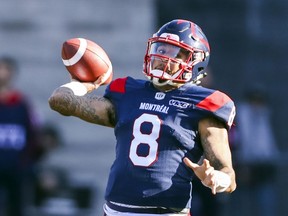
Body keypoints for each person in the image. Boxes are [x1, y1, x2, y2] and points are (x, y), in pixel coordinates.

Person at [49, 19, 237, 215]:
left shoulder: (205, 103)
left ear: (195, 62)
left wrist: (215, 178)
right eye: (161, 49)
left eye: (174, 52)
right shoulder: (127, 91)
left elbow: (229, 176)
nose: (163, 57)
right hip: (116, 210)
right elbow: (60, 100)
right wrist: (87, 84)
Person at [0, 56, 41, 216]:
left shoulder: (22, 103)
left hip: (15, 168)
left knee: (16, 208)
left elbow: (34, 134)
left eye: (5, 69)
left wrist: (26, 162)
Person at [233, 84, 279, 216]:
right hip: (244, 166)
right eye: (254, 101)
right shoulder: (241, 116)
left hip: (264, 168)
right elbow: (238, 141)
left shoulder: (265, 117)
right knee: (241, 206)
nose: (257, 105)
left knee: (265, 205)